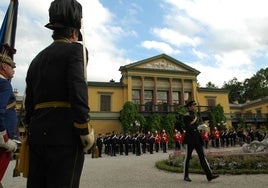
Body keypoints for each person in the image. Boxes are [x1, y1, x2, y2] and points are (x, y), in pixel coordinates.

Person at [24, 0, 94, 187]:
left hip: (38, 136)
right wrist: (83, 127)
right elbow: (78, 89)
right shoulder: (76, 50)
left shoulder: (36, 59)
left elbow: (28, 103)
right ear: (74, 32)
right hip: (65, 135)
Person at [182, 100, 219, 182]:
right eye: (193, 105)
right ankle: (186, 176)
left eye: (195, 105)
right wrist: (197, 128)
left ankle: (209, 175)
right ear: (189, 107)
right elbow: (188, 128)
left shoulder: (195, 115)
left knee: (202, 157)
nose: (194, 106)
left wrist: (201, 127)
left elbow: (195, 126)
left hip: (197, 139)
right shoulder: (186, 116)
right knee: (187, 158)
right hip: (190, 139)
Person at [0, 54, 18, 188]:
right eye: (12, 67)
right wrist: (4, 138)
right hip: (2, 140)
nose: (13, 70)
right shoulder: (5, 84)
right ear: (3, 67)